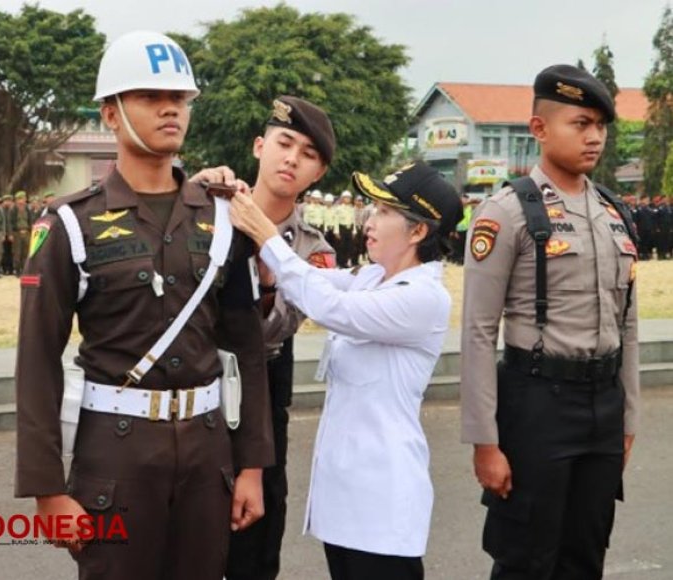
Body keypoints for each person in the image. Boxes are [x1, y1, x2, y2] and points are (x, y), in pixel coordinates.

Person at [14, 30, 273, 580]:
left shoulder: (222, 215)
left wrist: (251, 465)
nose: (170, 110)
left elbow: (246, 349)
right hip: (115, 459)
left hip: (208, 456)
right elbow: (37, 360)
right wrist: (47, 491)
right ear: (110, 114)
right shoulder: (68, 223)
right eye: (150, 97)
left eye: (179, 99)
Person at [230, 162, 462, 580]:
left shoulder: (424, 297)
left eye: (385, 212)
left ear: (418, 232)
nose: (371, 221)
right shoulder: (373, 277)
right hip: (348, 497)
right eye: (373, 208)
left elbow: (328, 305)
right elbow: (314, 280)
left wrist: (266, 235)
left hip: (383, 500)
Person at [460, 64, 639, 580]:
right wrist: (485, 442)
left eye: (601, 126)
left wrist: (627, 419)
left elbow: (627, 327)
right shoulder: (507, 212)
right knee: (526, 560)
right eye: (580, 124)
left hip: (602, 406)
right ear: (539, 129)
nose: (595, 137)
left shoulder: (613, 213)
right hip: (537, 404)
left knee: (586, 555)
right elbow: (476, 331)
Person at [197, 96, 337, 580]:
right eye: (284, 143)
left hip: (263, 384)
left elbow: (273, 331)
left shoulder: (314, 251)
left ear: (317, 174)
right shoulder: (206, 209)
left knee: (256, 534)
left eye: (308, 154)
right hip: (193, 378)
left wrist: (269, 263)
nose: (292, 158)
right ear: (259, 146)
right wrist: (188, 189)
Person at [9, 190, 34, 275]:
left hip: (26, 232)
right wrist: (10, 234)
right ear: (17, 200)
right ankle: (17, 269)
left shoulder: (28, 209)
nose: (22, 201)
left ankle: (24, 269)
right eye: (20, 199)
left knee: (26, 252)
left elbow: (31, 221)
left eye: (23, 199)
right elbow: (10, 222)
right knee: (17, 252)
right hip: (17, 233)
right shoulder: (13, 210)